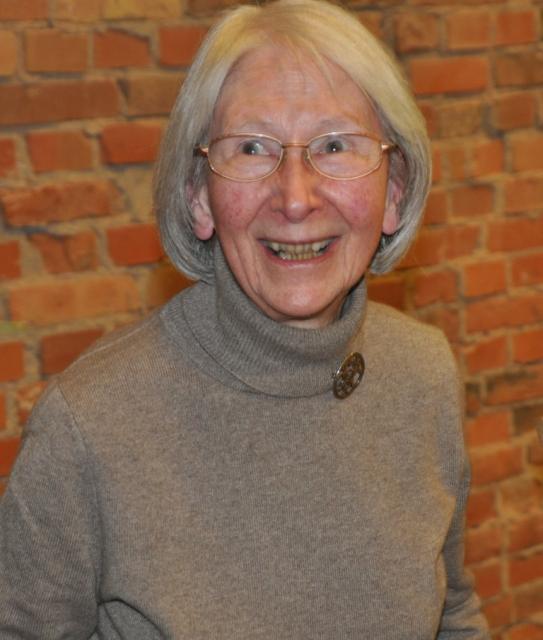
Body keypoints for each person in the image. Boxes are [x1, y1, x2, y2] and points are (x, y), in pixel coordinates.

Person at [0, 0, 490, 637]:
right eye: (253, 148)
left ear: (393, 191)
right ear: (199, 197)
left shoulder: (422, 373)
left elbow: (452, 610)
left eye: (334, 145)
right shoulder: (88, 427)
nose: (295, 197)